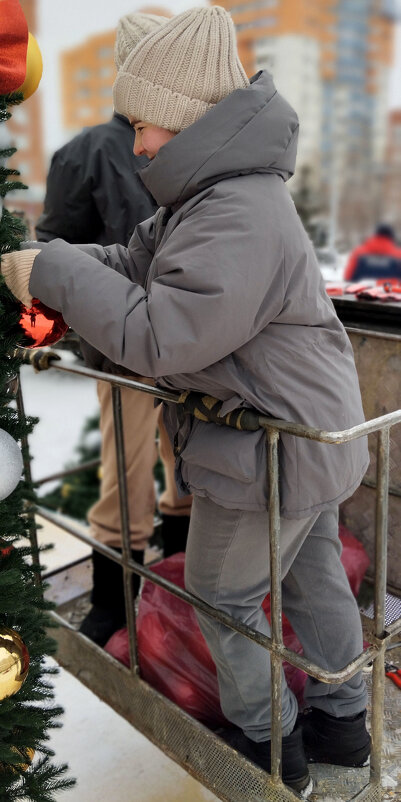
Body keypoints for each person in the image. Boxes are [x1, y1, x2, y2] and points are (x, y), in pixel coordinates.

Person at [2, 6, 371, 795]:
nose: (135, 143)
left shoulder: (237, 210)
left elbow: (165, 336)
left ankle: (269, 747)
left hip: (273, 447)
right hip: (299, 436)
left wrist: (59, 273)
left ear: (188, 116)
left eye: (146, 124)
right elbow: (130, 263)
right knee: (313, 579)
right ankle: (342, 725)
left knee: (220, 593)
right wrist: (44, 261)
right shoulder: (203, 201)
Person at [35, 11, 191, 647]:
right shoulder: (89, 153)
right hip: (126, 348)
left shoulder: (192, 150)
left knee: (186, 466)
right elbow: (57, 248)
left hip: (188, 343)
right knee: (125, 474)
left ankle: (176, 588)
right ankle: (112, 601)